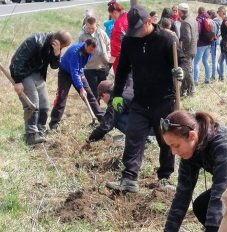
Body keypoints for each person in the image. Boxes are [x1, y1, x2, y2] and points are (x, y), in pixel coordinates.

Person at [105, 4, 187, 193]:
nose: (135, 33)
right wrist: (117, 94)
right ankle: (129, 178)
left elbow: (182, 61)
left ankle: (164, 178)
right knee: (134, 136)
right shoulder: (129, 41)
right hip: (140, 99)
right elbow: (123, 70)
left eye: (138, 29)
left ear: (149, 21)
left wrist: (181, 72)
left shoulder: (167, 39)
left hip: (164, 100)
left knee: (166, 140)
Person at [9, 31, 72, 145]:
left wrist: (57, 54)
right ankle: (31, 135)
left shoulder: (54, 46)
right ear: (56, 41)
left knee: (44, 105)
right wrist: (18, 81)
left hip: (38, 73)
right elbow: (17, 62)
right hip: (23, 73)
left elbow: (54, 66)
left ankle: (40, 131)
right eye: (63, 47)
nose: (62, 48)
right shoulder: (35, 42)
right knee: (32, 104)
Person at [49, 39, 104, 131]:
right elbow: (73, 71)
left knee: (89, 94)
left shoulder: (91, 51)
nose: (91, 52)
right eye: (90, 49)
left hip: (78, 71)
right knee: (61, 96)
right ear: (86, 44)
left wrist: (81, 78)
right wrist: (81, 88)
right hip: (65, 72)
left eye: (92, 50)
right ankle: (53, 125)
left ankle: (102, 119)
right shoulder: (75, 52)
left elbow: (80, 66)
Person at [82, 78, 133, 148]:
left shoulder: (115, 102)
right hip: (149, 119)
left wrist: (89, 140)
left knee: (116, 120)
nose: (103, 101)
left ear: (104, 94)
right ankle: (143, 138)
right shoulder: (125, 89)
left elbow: (105, 126)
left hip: (148, 126)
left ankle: (137, 138)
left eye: (101, 98)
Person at [77, 16, 111, 98]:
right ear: (85, 25)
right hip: (89, 68)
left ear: (96, 25)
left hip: (102, 66)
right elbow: (78, 50)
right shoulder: (81, 35)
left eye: (93, 28)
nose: (91, 30)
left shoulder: (101, 33)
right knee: (93, 90)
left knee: (103, 90)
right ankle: (96, 108)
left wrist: (108, 57)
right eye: (89, 28)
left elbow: (108, 45)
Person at [178, 2, 197, 97]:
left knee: (187, 71)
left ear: (181, 12)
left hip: (188, 50)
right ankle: (184, 90)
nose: (177, 13)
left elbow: (187, 38)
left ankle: (192, 90)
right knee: (186, 70)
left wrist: (182, 49)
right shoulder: (192, 19)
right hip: (193, 48)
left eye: (178, 11)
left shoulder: (185, 22)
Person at [108, 1, 128, 74]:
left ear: (115, 12)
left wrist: (108, 66)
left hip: (121, 60)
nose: (113, 19)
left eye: (112, 16)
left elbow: (115, 48)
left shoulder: (118, 25)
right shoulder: (130, 17)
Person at [194, 7, 212, 85]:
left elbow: (198, 31)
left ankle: (195, 80)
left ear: (198, 12)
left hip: (201, 44)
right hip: (209, 43)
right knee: (205, 61)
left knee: (196, 62)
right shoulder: (209, 19)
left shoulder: (199, 20)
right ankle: (207, 79)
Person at [207, 10, 221, 81]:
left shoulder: (213, 22)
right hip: (217, 42)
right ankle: (221, 74)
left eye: (208, 15)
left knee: (214, 60)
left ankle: (213, 76)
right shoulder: (219, 21)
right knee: (215, 60)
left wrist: (212, 37)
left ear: (211, 15)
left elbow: (213, 32)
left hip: (214, 43)